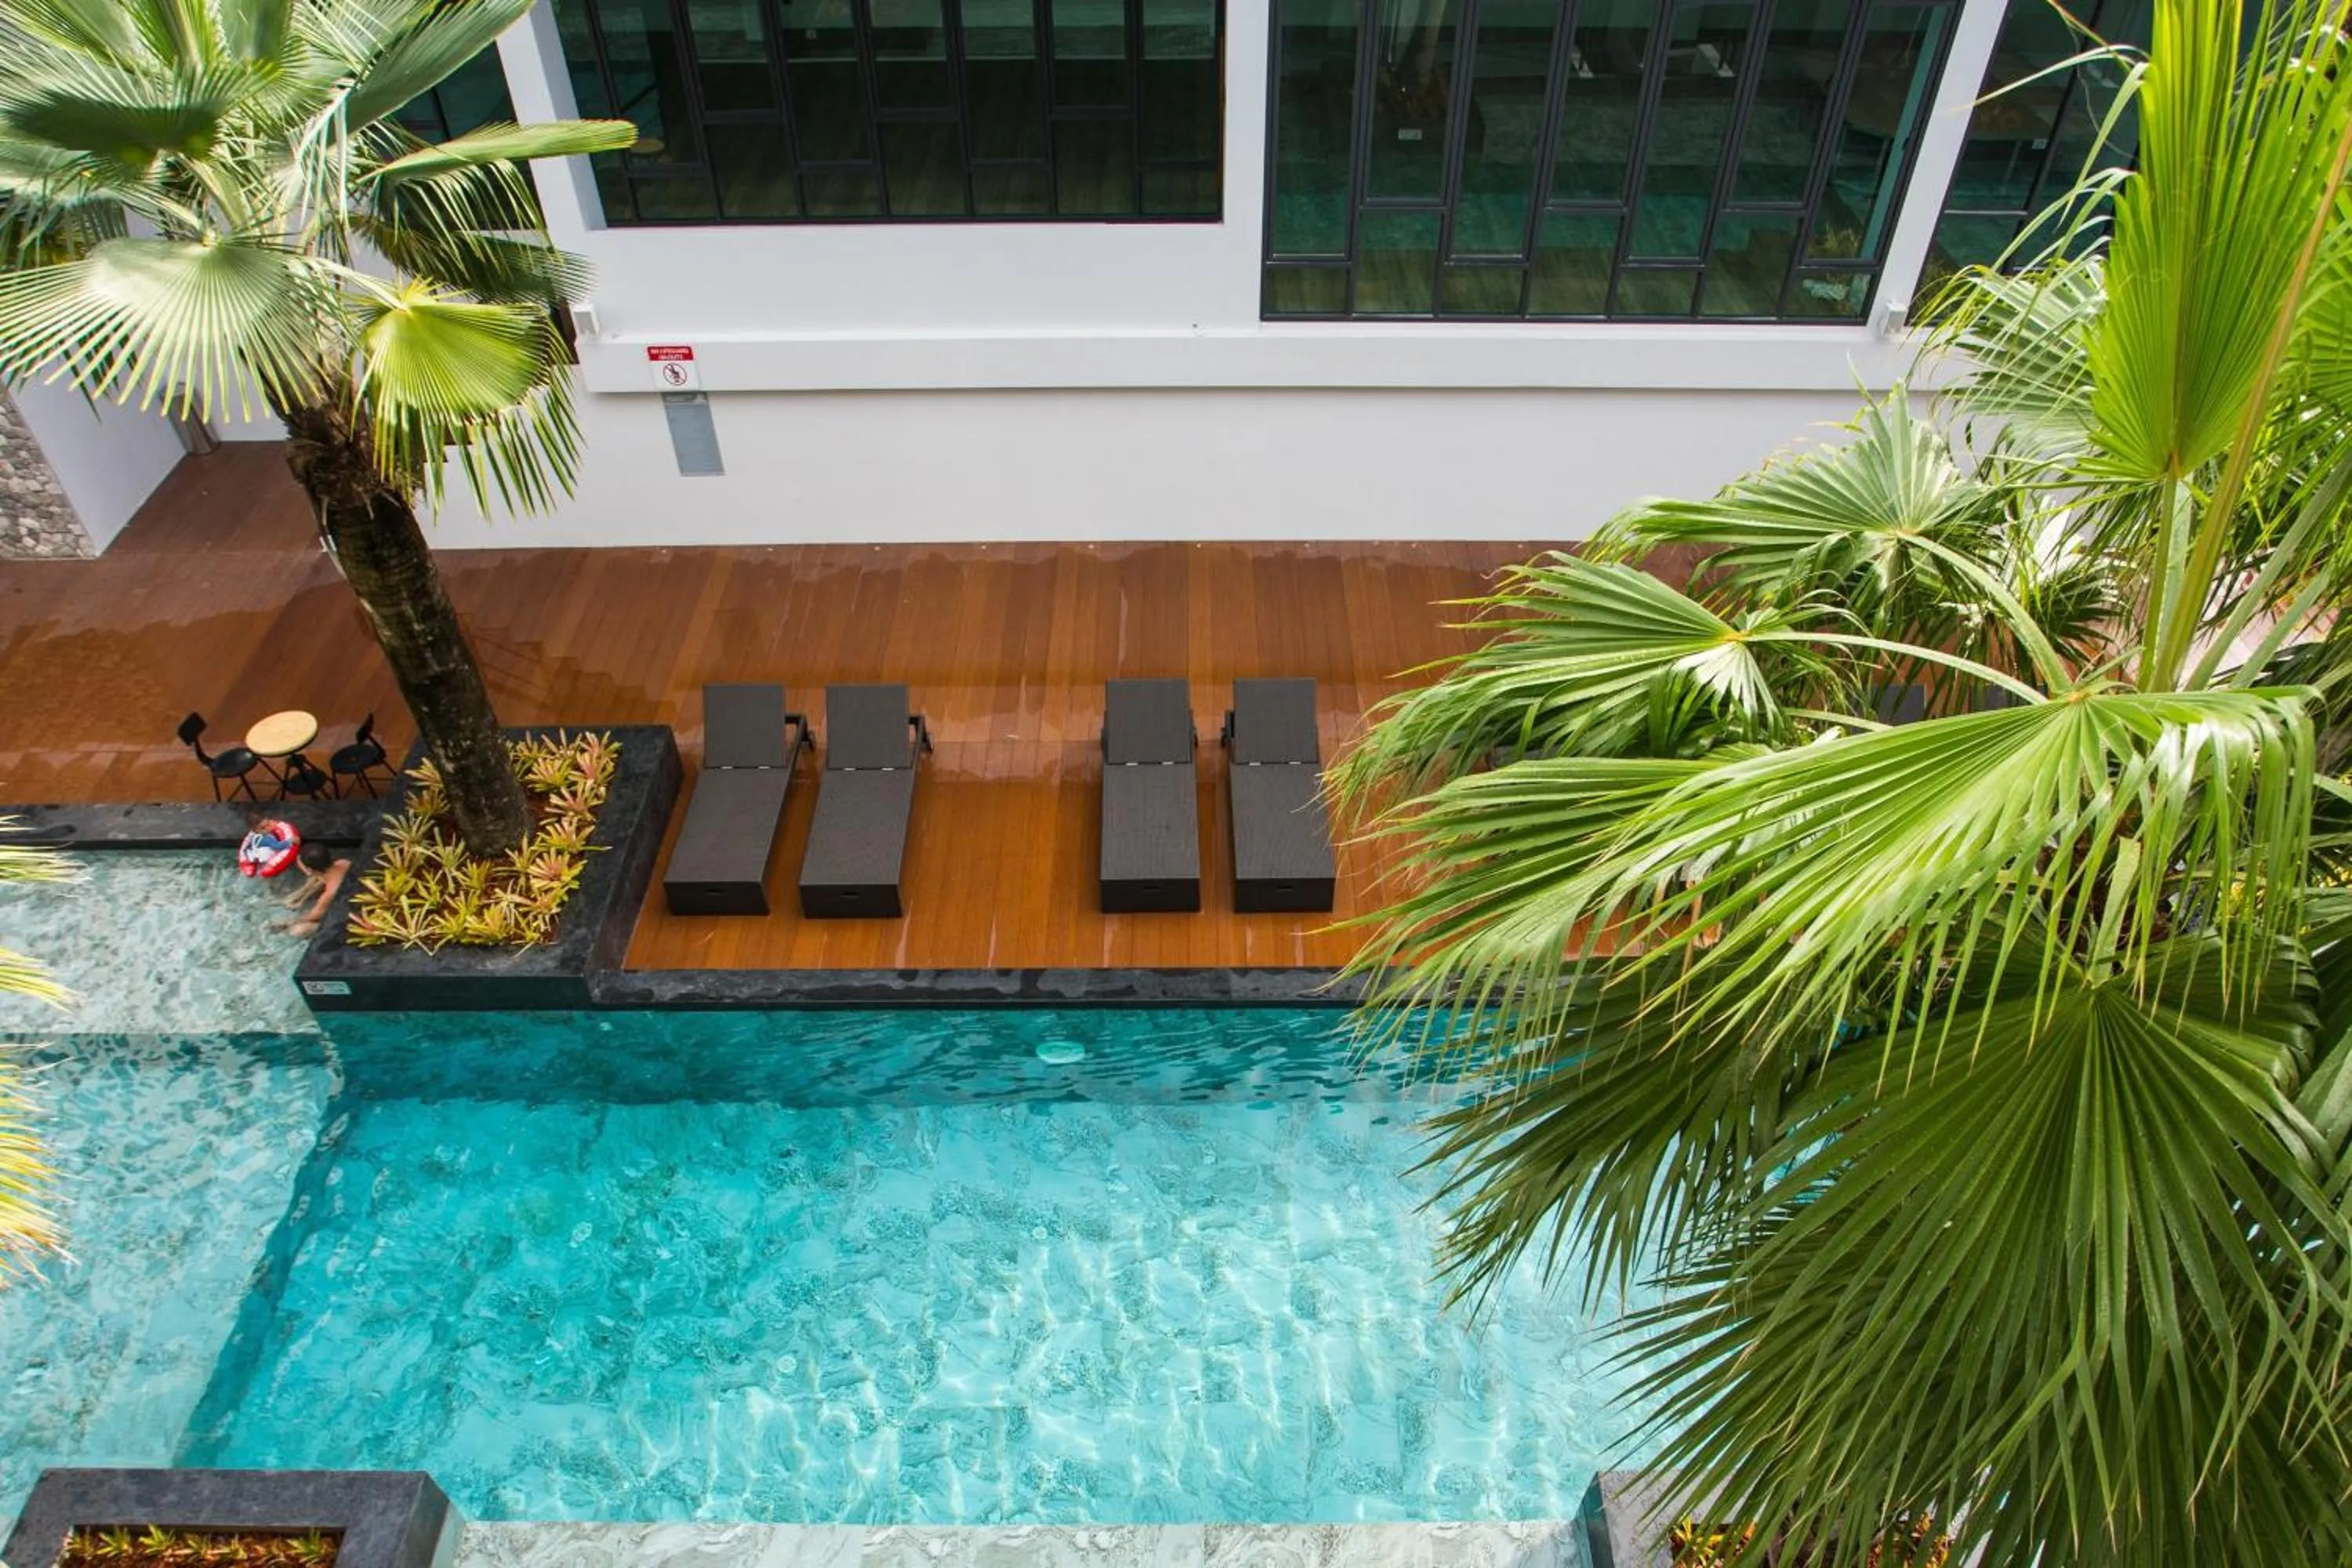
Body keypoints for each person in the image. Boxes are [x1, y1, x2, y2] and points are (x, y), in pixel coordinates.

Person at [270, 842, 350, 938]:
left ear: (309, 870)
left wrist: (287, 923)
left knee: (298, 930)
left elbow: (313, 917)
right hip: (341, 888)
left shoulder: (328, 895)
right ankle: (297, 899)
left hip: (345, 918)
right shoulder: (343, 863)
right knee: (317, 879)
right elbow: (319, 876)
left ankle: (294, 906)